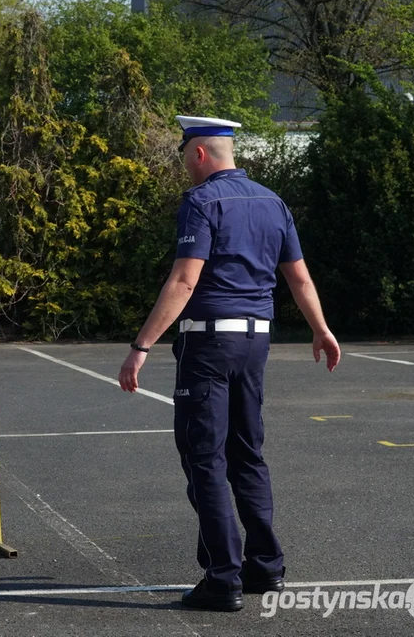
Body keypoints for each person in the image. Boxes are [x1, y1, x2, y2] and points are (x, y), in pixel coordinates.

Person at [117, 116, 341, 612]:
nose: (185, 168)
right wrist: (321, 329)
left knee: (206, 459)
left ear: (198, 153)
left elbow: (183, 281)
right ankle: (265, 567)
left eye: (183, 157)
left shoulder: (201, 202)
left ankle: (223, 578)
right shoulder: (272, 201)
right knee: (248, 453)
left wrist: (141, 345)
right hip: (256, 342)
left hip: (209, 345)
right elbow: (299, 279)